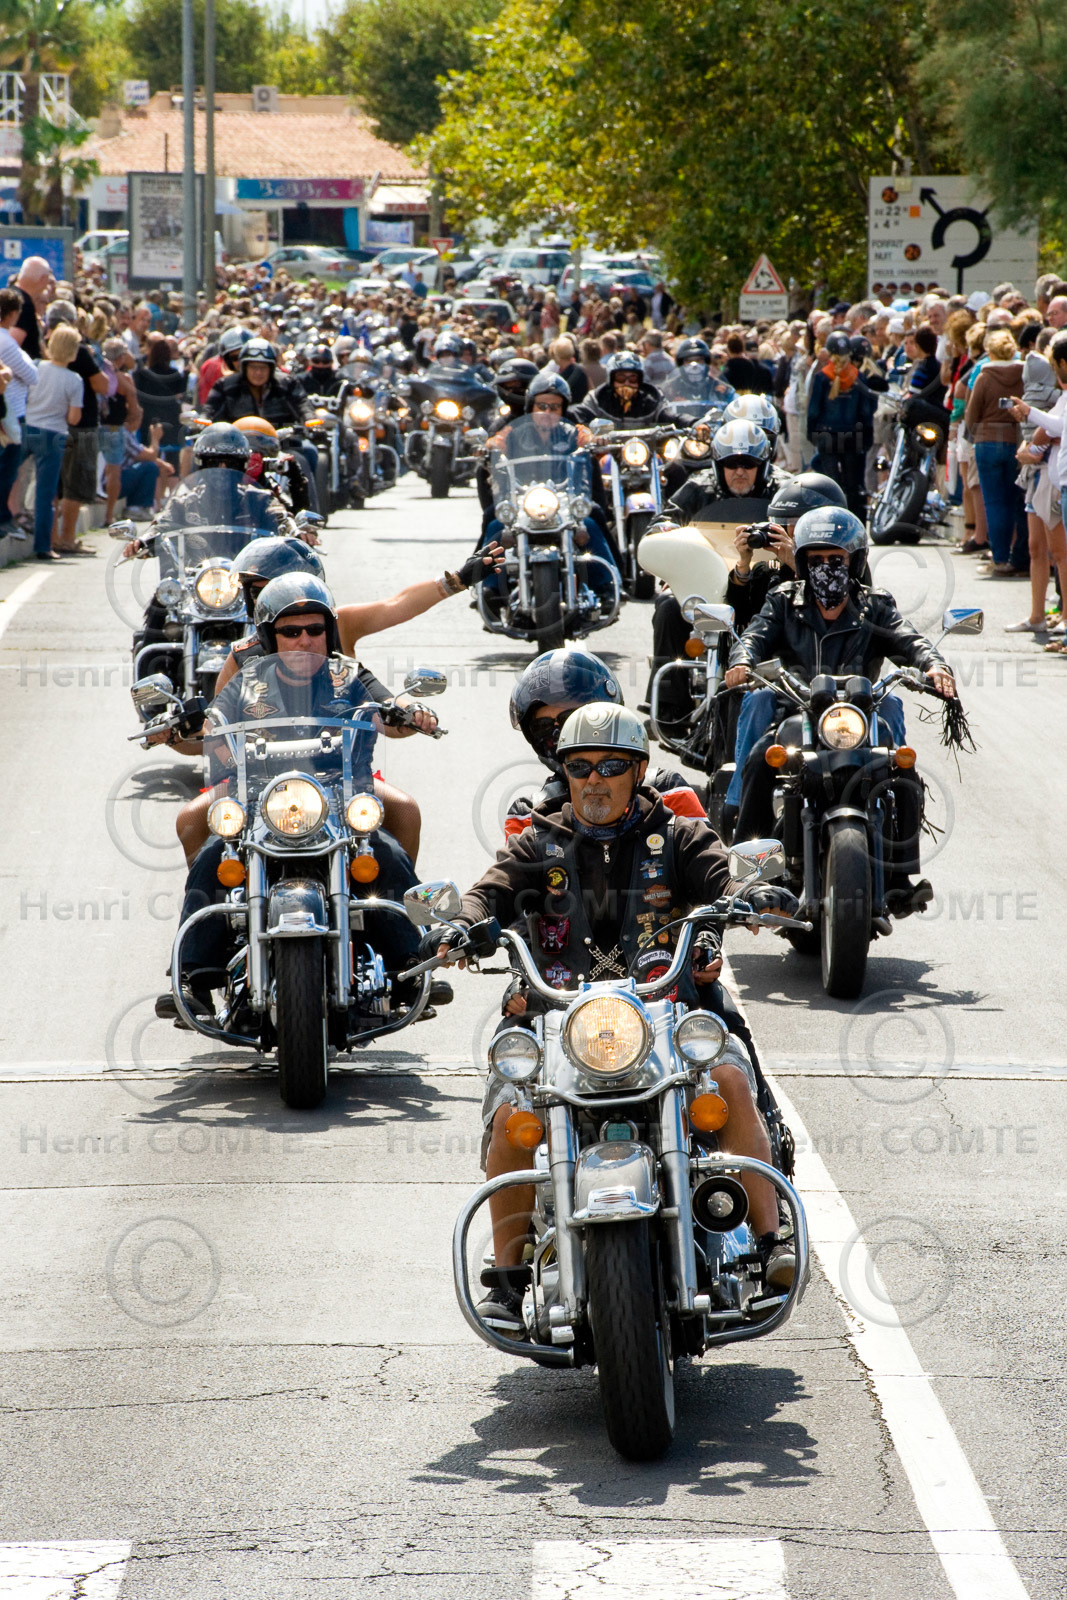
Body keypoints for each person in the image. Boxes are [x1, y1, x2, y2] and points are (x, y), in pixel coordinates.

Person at [434, 703, 797, 1328]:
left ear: (638, 770)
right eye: (579, 767)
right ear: (564, 771)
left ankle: (772, 1244)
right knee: (515, 1112)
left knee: (731, 1080)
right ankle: (506, 1274)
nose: (594, 780)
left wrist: (744, 897)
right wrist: (464, 923)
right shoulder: (539, 841)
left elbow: (719, 877)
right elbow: (490, 889)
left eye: (610, 766)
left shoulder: (675, 835)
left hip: (659, 1012)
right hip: (559, 1016)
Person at [159, 575, 426, 1023]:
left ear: (330, 632)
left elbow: (388, 713)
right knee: (213, 858)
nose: (305, 639)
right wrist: (184, 728)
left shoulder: (349, 675)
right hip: (261, 796)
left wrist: (410, 713)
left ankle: (409, 966)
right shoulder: (246, 681)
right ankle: (192, 975)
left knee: (387, 855)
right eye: (291, 631)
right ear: (270, 637)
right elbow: (212, 725)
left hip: (339, 794)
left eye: (315, 630)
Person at [725, 506, 954, 907]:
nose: (826, 568)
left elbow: (908, 639)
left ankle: (900, 878)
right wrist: (741, 661)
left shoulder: (875, 605)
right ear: (801, 563)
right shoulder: (782, 601)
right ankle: (751, 872)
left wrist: (934, 665)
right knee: (763, 757)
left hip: (860, 717)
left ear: (856, 561)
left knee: (902, 766)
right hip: (799, 710)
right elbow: (755, 635)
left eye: (836, 560)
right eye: (815, 560)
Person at [642, 418, 789, 725]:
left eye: (748, 463)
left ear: (762, 464)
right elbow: (662, 522)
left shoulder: (784, 489)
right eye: (730, 463)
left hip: (768, 587)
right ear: (717, 464)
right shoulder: (697, 487)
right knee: (668, 607)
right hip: (708, 588)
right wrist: (663, 529)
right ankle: (671, 709)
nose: (739, 471)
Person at [204, 337, 319, 510]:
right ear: (244, 367)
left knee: (307, 454)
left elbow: (302, 403)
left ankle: (308, 516)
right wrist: (204, 421)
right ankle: (200, 503)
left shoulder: (287, 383)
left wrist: (309, 419)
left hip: (281, 444)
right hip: (234, 450)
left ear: (271, 368)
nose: (258, 372)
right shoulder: (225, 386)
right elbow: (210, 409)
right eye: (253, 367)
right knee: (203, 456)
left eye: (263, 367)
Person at [45, 302, 108, 555]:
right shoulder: (80, 353)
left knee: (57, 485)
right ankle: (67, 538)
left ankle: (54, 538)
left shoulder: (45, 359)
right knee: (75, 484)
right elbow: (103, 385)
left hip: (53, 426)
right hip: (80, 427)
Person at [964, 328, 1027, 574]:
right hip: (1015, 440)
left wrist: (973, 435)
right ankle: (1015, 554)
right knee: (1014, 501)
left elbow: (972, 414)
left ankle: (999, 558)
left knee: (994, 502)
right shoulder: (1023, 375)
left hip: (987, 441)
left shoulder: (984, 376)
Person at [22, 324, 83, 561]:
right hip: (53, 433)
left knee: (10, 477)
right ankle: (43, 546)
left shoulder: (36, 367)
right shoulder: (74, 379)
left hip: (29, 427)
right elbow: (74, 418)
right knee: (45, 494)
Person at [806, 328, 876, 517]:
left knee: (830, 481)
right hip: (853, 436)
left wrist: (811, 433)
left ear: (828, 352)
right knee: (854, 483)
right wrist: (867, 435)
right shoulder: (859, 377)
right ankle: (855, 520)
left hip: (826, 435)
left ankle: (830, 517)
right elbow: (866, 411)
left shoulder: (822, 377)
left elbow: (813, 410)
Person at [0, 287, 37, 538]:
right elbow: (32, 375)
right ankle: (3, 518)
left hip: (8, 411)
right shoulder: (5, 341)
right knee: (7, 469)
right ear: (12, 313)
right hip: (10, 413)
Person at [572, 349, 680, 429]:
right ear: (611, 379)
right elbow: (579, 414)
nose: (627, 383)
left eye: (633, 378)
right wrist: (560, 414)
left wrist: (694, 423)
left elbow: (670, 416)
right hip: (605, 453)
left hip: (646, 453)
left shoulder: (653, 397)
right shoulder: (597, 398)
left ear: (640, 381)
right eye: (621, 378)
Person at [8, 255, 50, 360]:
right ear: (42, 279)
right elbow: (11, 347)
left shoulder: (10, 294)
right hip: (19, 373)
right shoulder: (23, 305)